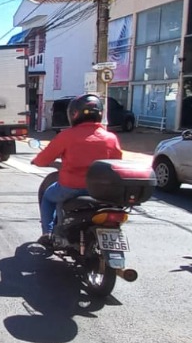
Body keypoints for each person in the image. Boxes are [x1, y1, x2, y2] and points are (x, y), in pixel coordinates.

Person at [31, 94, 123, 246]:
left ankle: (47, 233)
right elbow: (117, 162)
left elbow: (43, 159)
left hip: (71, 188)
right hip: (102, 191)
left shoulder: (66, 136)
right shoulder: (110, 138)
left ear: (74, 114)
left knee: (48, 198)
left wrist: (37, 161)